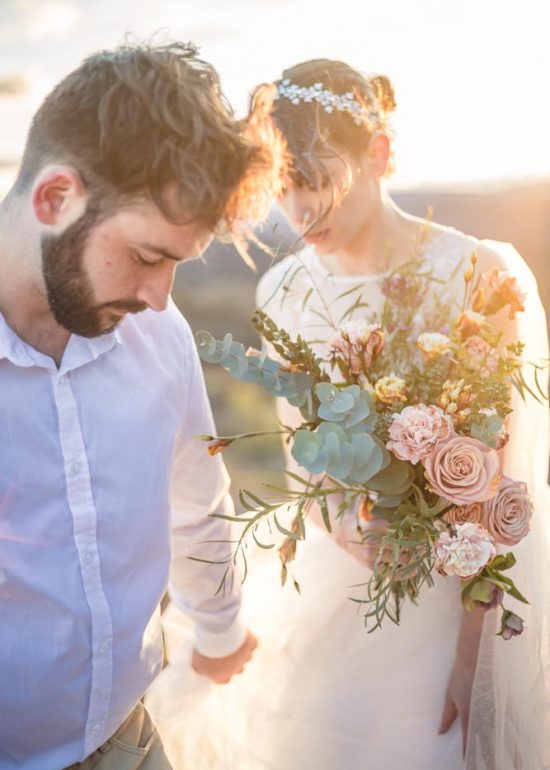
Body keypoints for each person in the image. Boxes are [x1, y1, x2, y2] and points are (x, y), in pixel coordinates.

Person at [148, 59, 550, 770]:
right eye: (282, 189)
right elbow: (308, 456)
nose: (298, 214)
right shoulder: (282, 290)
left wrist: (472, 662)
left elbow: (500, 486)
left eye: (318, 183)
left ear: (381, 155)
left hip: (464, 601)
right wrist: (339, 519)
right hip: (347, 588)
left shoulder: (476, 278)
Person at [0, 41, 282, 770]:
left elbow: (196, 500)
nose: (160, 298)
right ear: (55, 198)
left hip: (132, 740)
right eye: (148, 257)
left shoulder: (160, 334)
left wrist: (218, 631)